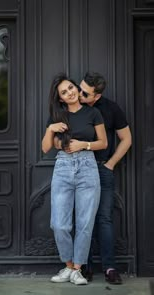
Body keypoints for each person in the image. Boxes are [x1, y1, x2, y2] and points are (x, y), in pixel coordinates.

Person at [42, 73, 107, 285]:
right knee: (59, 224)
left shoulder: (93, 113)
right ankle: (68, 266)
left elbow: (103, 143)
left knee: (85, 222)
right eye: (64, 92)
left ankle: (77, 269)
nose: (70, 92)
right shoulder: (57, 116)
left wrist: (83, 145)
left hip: (88, 167)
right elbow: (45, 148)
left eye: (71, 87)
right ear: (60, 98)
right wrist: (51, 129)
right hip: (63, 167)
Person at [78, 72, 132, 284]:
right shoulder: (74, 105)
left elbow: (126, 139)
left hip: (102, 169)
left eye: (85, 92)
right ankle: (85, 267)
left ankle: (110, 268)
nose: (79, 94)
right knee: (83, 220)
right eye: (79, 88)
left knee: (104, 219)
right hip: (80, 169)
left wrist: (111, 164)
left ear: (97, 96)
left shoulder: (111, 108)